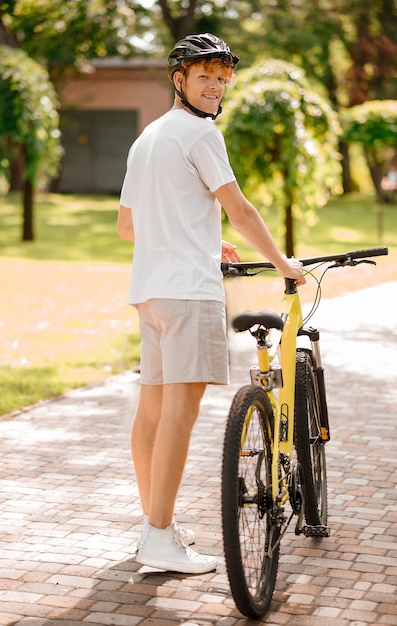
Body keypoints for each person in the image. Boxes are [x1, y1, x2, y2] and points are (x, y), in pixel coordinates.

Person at [118, 33, 305, 575]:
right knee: (181, 410)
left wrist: (200, 238)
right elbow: (241, 211)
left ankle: (157, 524)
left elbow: (129, 225)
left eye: (223, 78)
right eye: (205, 76)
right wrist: (282, 265)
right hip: (190, 293)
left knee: (151, 410)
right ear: (179, 79)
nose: (216, 87)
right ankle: (158, 538)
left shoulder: (148, 137)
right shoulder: (201, 134)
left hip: (150, 292)